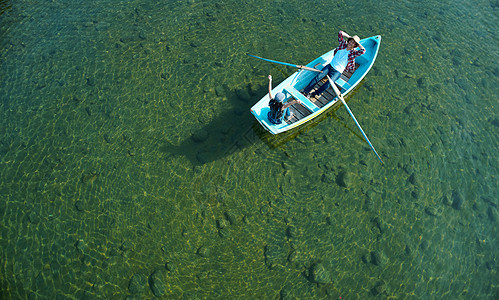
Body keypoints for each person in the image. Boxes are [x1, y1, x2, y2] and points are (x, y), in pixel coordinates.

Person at [303, 30, 366, 97]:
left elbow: (363, 51)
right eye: (350, 41)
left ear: (355, 45)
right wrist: (349, 37)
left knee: (328, 84)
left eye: (353, 43)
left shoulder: (353, 52)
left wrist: (358, 44)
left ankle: (315, 94)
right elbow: (340, 33)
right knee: (318, 77)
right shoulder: (342, 44)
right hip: (330, 66)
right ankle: (306, 91)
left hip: (337, 71)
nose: (351, 43)